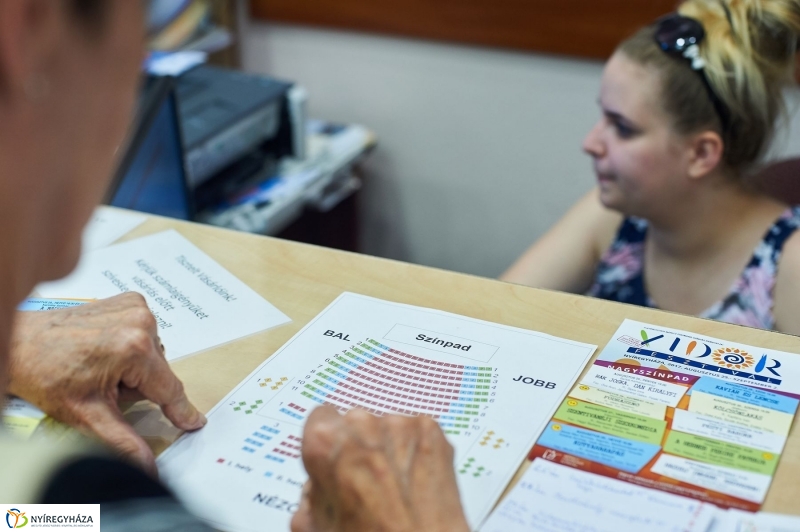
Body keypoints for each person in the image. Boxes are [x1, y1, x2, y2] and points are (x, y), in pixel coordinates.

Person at [0, 1, 468, 531]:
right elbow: (28, 520)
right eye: (147, 40)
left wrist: (18, 343)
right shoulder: (93, 504)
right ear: (30, 29)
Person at [502, 0, 800, 335]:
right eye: (603, 117)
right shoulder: (617, 218)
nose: (591, 142)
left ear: (701, 153)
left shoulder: (788, 266)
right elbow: (490, 314)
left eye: (623, 128)